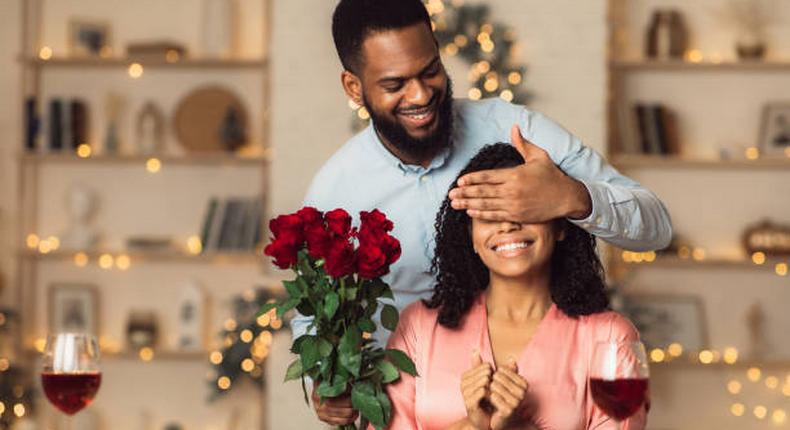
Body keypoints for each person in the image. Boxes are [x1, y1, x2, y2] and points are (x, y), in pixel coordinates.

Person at [300, 0, 670, 425]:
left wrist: (569, 195)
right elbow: (315, 310)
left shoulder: (516, 132)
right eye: (395, 83)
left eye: (430, 70)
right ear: (353, 87)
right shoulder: (334, 193)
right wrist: (323, 383)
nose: (420, 95)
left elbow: (656, 226)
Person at [384, 143, 647, 429]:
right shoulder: (418, 327)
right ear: (469, 235)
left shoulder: (612, 337)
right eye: (489, 214)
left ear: (560, 227)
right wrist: (472, 426)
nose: (507, 226)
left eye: (525, 209)